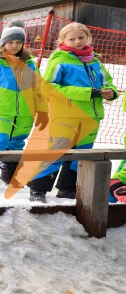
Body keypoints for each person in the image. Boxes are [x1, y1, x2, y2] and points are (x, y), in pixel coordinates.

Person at [27, 22, 117, 202]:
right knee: (56, 152)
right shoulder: (59, 60)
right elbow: (49, 88)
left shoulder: (95, 61)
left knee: (81, 156)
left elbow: (108, 82)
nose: (77, 41)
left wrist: (110, 92)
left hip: (91, 117)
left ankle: (67, 190)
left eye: (81, 37)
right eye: (72, 38)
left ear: (88, 38)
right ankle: (38, 189)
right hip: (65, 116)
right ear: (63, 40)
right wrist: (86, 93)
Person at [0, 21, 49, 190]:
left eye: (18, 42)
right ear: (3, 44)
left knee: (17, 143)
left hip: (25, 114)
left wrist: (42, 111)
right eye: (10, 42)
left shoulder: (30, 65)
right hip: (3, 112)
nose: (14, 46)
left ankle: (9, 170)